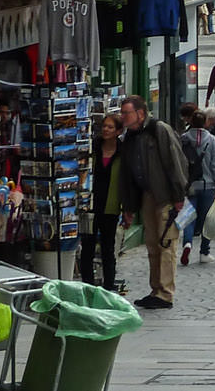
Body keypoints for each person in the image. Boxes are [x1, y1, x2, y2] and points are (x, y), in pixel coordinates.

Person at [116, 94, 189, 309]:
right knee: (152, 244)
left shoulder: (160, 130)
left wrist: (178, 196)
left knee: (166, 242)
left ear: (139, 113)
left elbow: (175, 163)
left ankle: (165, 293)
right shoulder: (130, 136)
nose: (122, 117)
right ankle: (155, 288)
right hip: (147, 194)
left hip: (165, 195)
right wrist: (129, 207)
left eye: (125, 113)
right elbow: (127, 174)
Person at [81, 114, 124, 289]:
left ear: (119, 131)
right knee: (87, 249)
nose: (106, 129)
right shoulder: (93, 148)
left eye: (110, 127)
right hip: (90, 205)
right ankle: (87, 286)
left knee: (108, 249)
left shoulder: (123, 152)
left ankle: (108, 288)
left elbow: (127, 181)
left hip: (110, 206)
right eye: (104, 126)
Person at [178, 106, 215, 266]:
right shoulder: (211, 139)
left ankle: (187, 243)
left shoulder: (183, 139)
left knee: (189, 217)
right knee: (206, 220)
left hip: (189, 185)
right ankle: (204, 251)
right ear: (205, 123)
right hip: (207, 184)